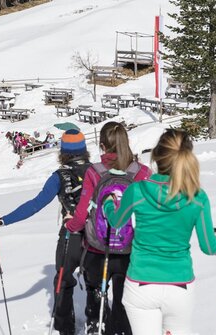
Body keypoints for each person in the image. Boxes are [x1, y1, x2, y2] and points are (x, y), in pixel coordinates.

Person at [102, 128, 216, 335]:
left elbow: (116, 223)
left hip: (141, 284)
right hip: (179, 286)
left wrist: (108, 205)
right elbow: (208, 247)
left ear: (157, 156)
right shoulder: (197, 197)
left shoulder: (138, 190)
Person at [0, 129, 91, 335]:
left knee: (62, 279)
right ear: (84, 149)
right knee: (95, 282)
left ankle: (65, 327)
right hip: (96, 235)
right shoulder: (97, 171)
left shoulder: (59, 177)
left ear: (63, 152)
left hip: (71, 236)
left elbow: (36, 204)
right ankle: (98, 323)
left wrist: (3, 220)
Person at [65, 122, 151, 335]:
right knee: (124, 302)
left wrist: (70, 225)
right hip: (130, 251)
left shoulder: (95, 172)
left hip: (97, 249)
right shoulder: (142, 172)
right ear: (126, 142)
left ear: (102, 145)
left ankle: (96, 327)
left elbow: (83, 210)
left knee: (95, 297)